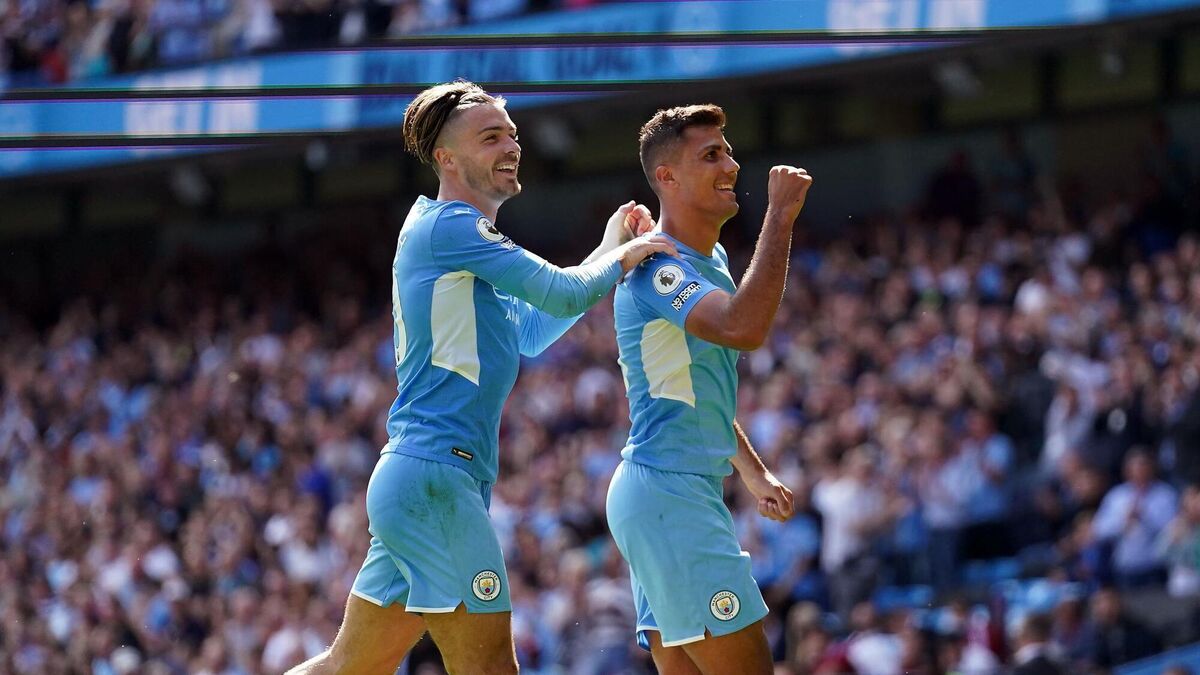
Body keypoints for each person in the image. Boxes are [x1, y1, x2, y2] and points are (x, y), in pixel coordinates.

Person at [287, 80, 675, 674]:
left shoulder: (456, 240)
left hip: (420, 481)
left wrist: (607, 246)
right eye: (491, 137)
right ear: (446, 158)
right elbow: (562, 293)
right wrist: (628, 253)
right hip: (435, 482)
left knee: (348, 668)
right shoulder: (453, 228)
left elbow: (533, 329)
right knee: (490, 666)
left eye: (512, 134)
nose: (511, 146)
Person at [605, 103, 810, 674]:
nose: (732, 166)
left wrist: (752, 471)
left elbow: (699, 389)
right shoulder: (656, 266)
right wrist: (781, 215)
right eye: (711, 155)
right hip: (668, 498)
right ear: (667, 177)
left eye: (729, 151)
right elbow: (744, 329)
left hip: (666, 496)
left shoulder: (710, 256)